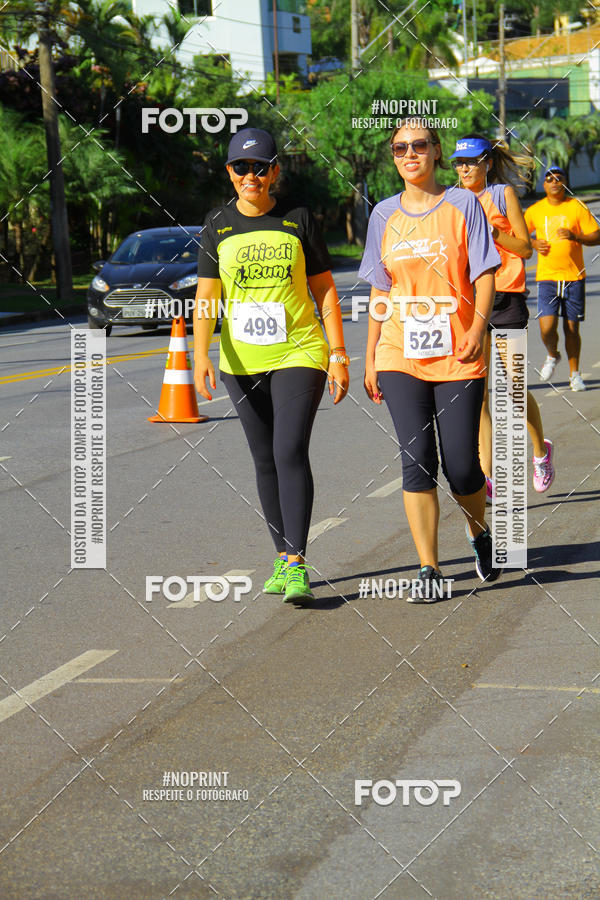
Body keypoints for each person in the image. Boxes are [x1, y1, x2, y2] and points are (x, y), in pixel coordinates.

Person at [193, 127, 349, 602]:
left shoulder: (297, 219)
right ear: (229, 172)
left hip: (298, 353)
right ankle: (282, 556)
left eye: (260, 167)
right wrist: (199, 353)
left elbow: (324, 289)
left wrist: (338, 352)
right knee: (264, 460)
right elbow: (207, 296)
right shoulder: (216, 224)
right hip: (241, 360)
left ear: (274, 171)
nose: (250, 175)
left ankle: (298, 561)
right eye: (241, 167)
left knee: (288, 451)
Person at [359, 120, 502, 597]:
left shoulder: (462, 205)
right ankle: (429, 569)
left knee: (461, 466)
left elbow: (484, 273)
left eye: (420, 145)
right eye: (400, 148)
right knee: (417, 460)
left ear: (436, 152)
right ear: (394, 157)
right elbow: (383, 287)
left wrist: (478, 329)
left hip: (458, 351)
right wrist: (370, 357)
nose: (410, 153)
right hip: (401, 352)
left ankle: (478, 529)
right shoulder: (382, 215)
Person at [451, 134, 555, 494]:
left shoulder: (502, 194)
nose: (464, 169)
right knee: (477, 392)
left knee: (512, 387)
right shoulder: (453, 200)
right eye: (459, 163)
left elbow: (525, 248)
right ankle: (487, 474)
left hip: (506, 296)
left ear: (487, 163)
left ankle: (540, 452)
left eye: (472, 162)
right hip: (470, 301)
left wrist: (491, 231)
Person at [524, 166, 600, 391]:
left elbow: (596, 235)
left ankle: (574, 375)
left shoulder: (576, 207)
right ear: (544, 185)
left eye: (559, 178)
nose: (555, 182)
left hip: (573, 278)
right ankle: (552, 354)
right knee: (546, 327)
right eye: (550, 179)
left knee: (571, 328)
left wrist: (576, 236)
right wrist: (533, 243)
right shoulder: (535, 211)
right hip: (546, 278)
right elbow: (518, 234)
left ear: (565, 182)